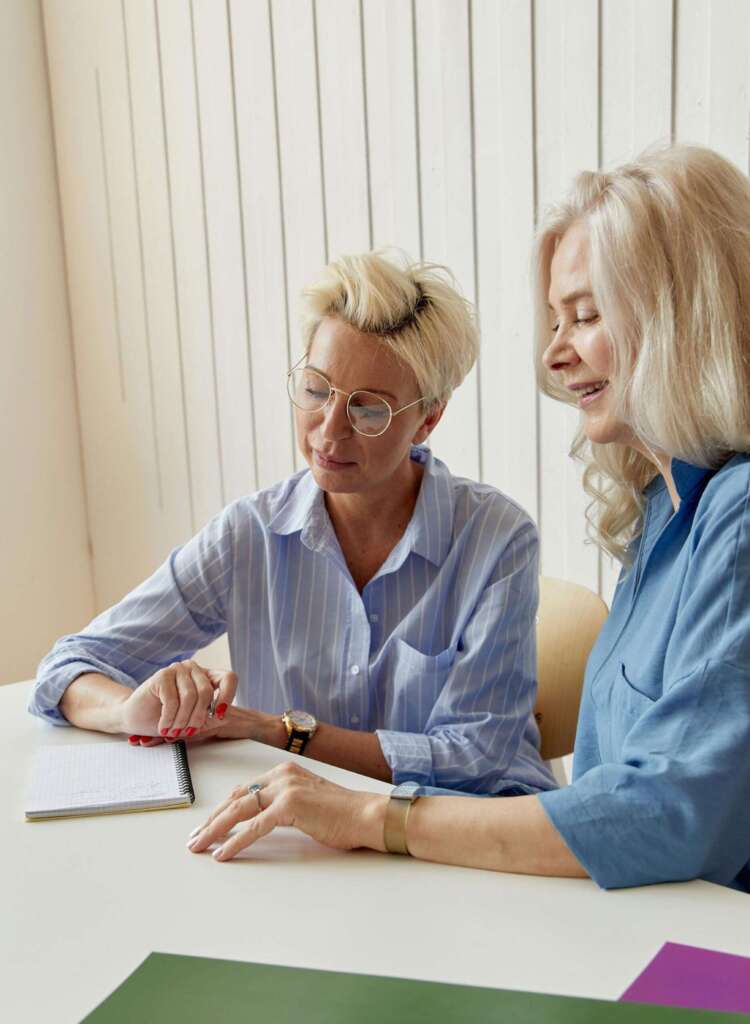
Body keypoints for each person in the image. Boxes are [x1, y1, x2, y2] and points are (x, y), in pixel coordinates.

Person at [188, 146, 750, 893]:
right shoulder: (663, 511)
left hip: (709, 947)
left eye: (586, 316)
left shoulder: (738, 516)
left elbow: (665, 817)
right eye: (555, 319)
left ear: (685, 318)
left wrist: (368, 816)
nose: (554, 356)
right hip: (625, 917)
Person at [31, 251, 555, 797]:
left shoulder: (497, 539)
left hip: (465, 825)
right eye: (316, 390)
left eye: (368, 409)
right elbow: (68, 666)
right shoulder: (250, 533)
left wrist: (278, 732)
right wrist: (131, 711)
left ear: (428, 418)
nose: (329, 431)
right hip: (305, 831)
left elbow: (472, 758)